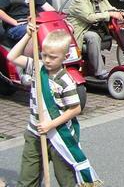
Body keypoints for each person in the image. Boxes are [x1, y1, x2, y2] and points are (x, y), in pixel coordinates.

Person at [9, 27, 101, 186]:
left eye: (53, 57)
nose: (47, 60)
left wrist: (51, 124)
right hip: (34, 132)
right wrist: (28, 35)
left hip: (58, 135)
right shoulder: (37, 68)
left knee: (66, 179)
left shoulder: (66, 81)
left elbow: (75, 109)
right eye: (44, 55)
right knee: (27, 178)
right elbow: (13, 56)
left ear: (65, 57)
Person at [65, 0, 124, 78]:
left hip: (97, 27)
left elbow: (110, 8)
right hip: (82, 30)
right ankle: (100, 72)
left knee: (120, 30)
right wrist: (109, 14)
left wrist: (121, 13)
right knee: (93, 37)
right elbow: (89, 17)